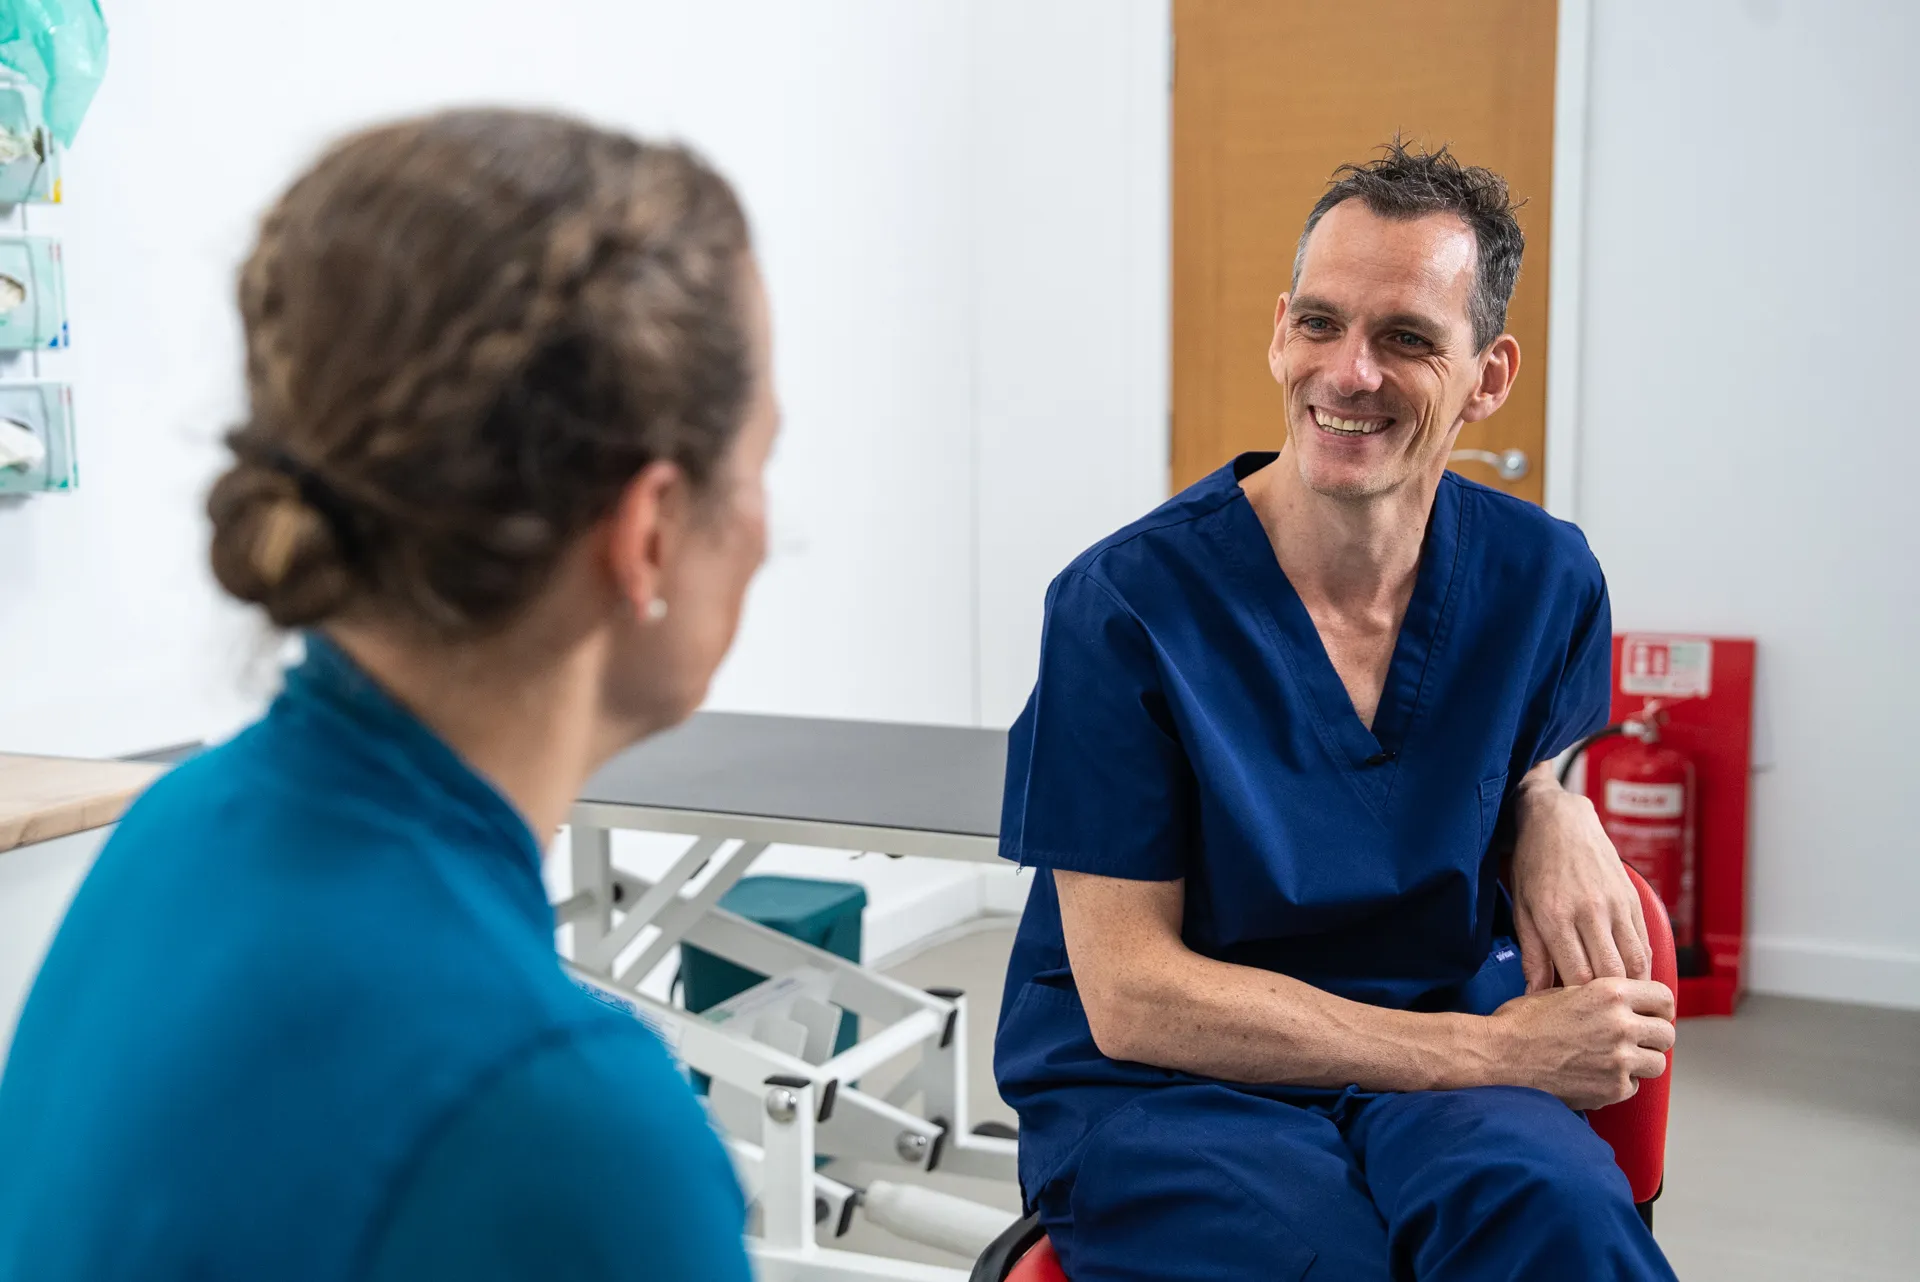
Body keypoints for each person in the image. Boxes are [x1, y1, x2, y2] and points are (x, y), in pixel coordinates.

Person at [0, 110, 775, 1281]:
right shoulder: (565, 1121)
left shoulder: (178, 826)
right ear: (651, 531)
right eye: (759, 464)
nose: (775, 535)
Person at [994, 142, 1679, 1281]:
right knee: (1320, 1262)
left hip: (1436, 1043)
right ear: (1279, 332)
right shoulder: (1124, 607)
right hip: (1177, 1087)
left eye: (1407, 337)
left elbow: (1526, 755)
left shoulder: (1543, 578)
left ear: (1490, 374)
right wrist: (1484, 1049)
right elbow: (1131, 997)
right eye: (1319, 323)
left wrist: (1553, 801)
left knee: (1559, 1216)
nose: (1348, 371)